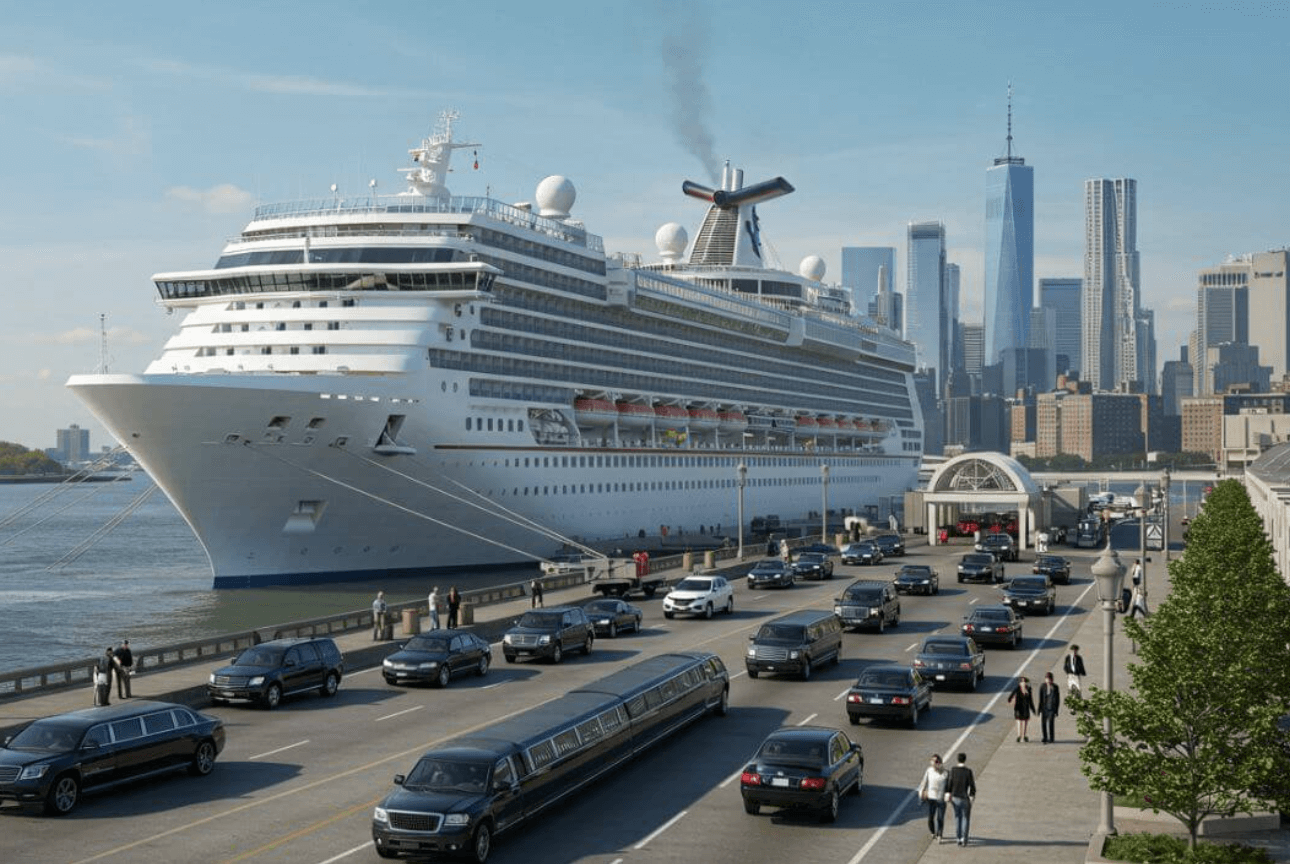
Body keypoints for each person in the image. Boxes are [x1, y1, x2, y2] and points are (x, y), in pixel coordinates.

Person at [916, 753, 949, 842]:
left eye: (936, 761)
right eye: (932, 761)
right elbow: (924, 782)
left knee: (940, 818)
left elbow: (949, 786)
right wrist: (921, 793)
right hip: (931, 798)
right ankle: (933, 832)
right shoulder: (929, 771)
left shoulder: (945, 773)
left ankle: (939, 835)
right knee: (931, 817)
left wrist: (948, 795)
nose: (934, 763)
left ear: (940, 762)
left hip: (941, 798)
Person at [946, 752, 976, 846]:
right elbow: (972, 786)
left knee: (957, 817)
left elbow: (949, 784)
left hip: (955, 798)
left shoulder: (953, 770)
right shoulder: (968, 771)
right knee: (965, 819)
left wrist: (948, 793)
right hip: (964, 798)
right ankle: (964, 839)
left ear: (957, 759)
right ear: (965, 759)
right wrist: (972, 796)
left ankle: (958, 838)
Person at [1008, 676, 1036, 742]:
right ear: (1019, 683)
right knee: (1018, 722)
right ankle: (1018, 735)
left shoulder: (1028, 690)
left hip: (1025, 708)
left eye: (1024, 682)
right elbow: (1011, 696)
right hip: (1018, 708)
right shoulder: (1017, 689)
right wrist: (1010, 700)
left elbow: (1030, 700)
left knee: (1024, 722)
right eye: (1022, 682)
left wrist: (1033, 709)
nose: (1023, 683)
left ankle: (1023, 736)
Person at [1038, 672, 1061, 744]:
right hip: (1044, 708)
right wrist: (1039, 709)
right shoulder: (1042, 686)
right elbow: (1040, 698)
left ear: (1052, 680)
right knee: (1043, 723)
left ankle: (1051, 738)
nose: (1047, 681)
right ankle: (1045, 737)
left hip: (1051, 708)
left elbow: (1057, 699)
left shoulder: (1055, 687)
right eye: (1046, 679)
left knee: (1051, 723)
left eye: (1049, 679)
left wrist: (1056, 710)